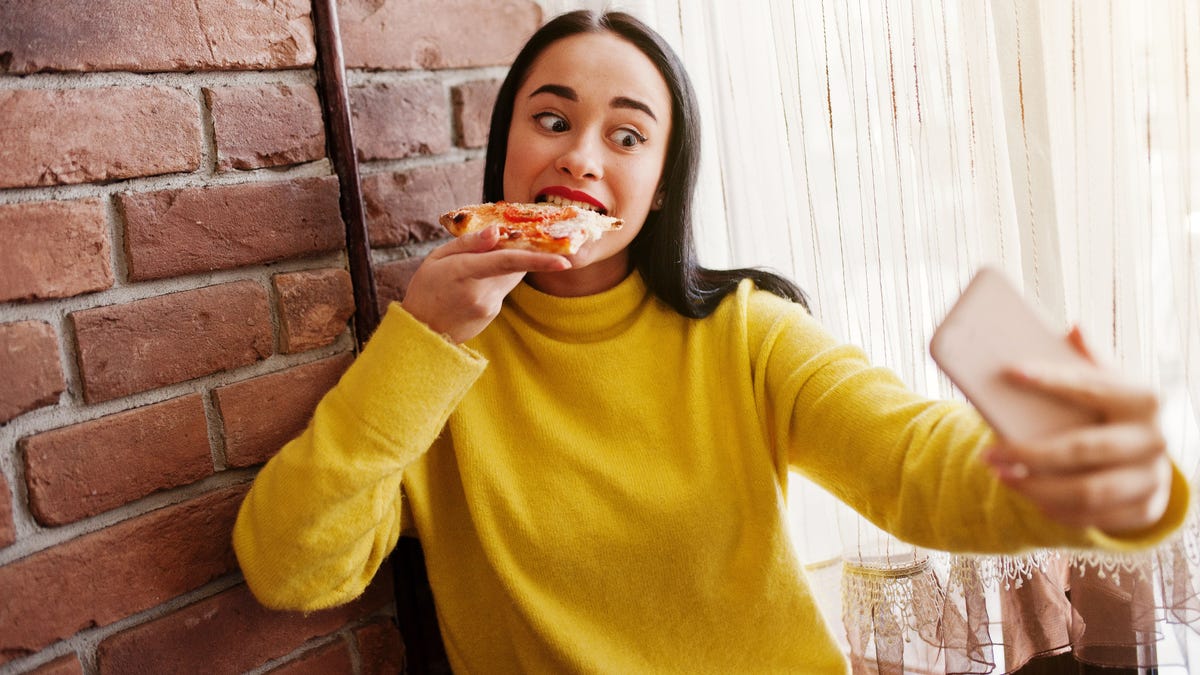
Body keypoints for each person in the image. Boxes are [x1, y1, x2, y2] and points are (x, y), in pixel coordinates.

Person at [233, 10, 1188, 673]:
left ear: (660, 186)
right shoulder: (434, 358)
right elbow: (289, 566)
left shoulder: (745, 331)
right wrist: (420, 342)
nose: (580, 154)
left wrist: (1102, 480)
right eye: (553, 119)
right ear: (507, 153)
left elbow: (910, 463)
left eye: (627, 135)